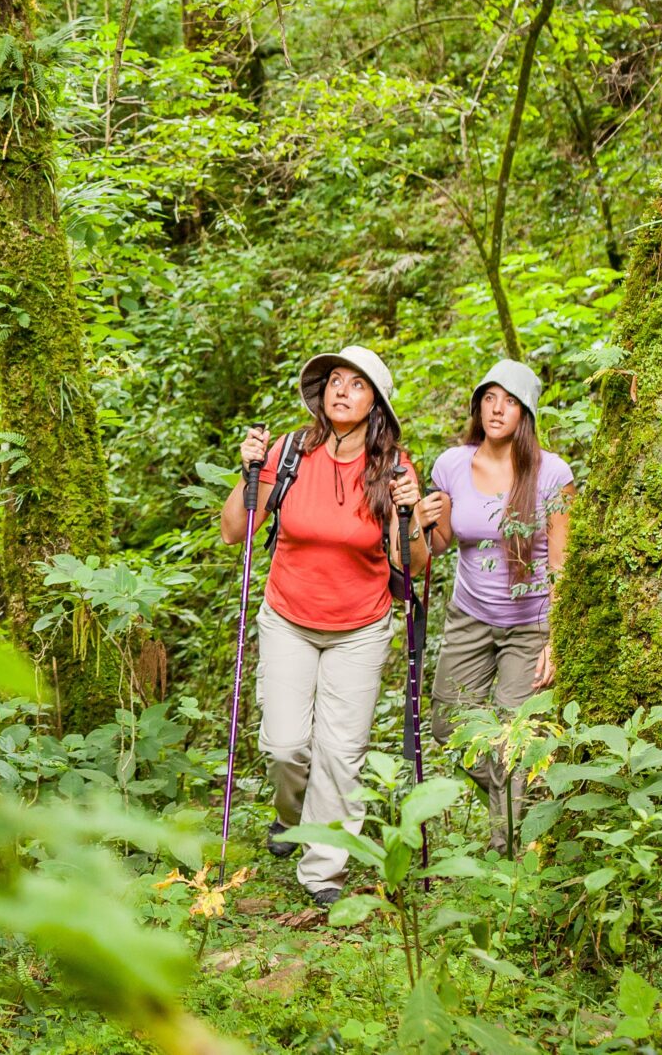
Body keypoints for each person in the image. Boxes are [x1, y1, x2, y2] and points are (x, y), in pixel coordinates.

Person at [229, 345, 435, 907]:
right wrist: (248, 473)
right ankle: (291, 816)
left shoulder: (392, 468)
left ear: (377, 405)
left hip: (360, 627)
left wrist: (411, 513)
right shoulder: (290, 451)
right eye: (335, 381)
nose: (342, 390)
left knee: (340, 754)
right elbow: (234, 531)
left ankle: (323, 871)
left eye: (357, 384)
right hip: (289, 618)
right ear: (321, 394)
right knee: (285, 745)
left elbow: (412, 563)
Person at [422, 358, 574, 848]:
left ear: (525, 412)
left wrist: (555, 640)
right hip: (470, 616)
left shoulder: (552, 473)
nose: (497, 408)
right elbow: (439, 541)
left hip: (529, 626)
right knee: (448, 724)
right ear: (477, 404)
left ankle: (502, 853)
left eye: (509, 401)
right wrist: (416, 518)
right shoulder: (451, 465)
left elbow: (560, 565)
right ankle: (528, 795)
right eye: (489, 397)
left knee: (512, 739)